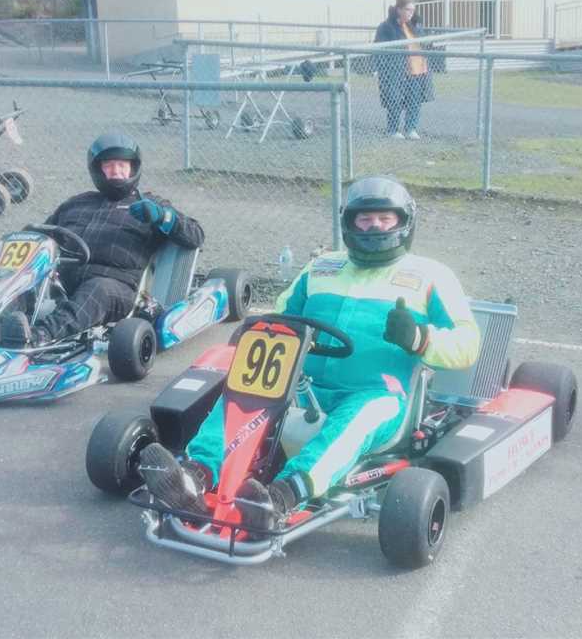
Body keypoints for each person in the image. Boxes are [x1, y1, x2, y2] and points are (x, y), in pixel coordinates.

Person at [139, 175, 480, 531]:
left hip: (377, 394)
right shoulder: (321, 268)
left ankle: (281, 496)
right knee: (242, 391)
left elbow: (468, 343)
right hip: (301, 384)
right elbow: (282, 316)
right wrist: (255, 329)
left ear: (404, 222)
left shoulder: (431, 276)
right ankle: (195, 475)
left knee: (357, 419)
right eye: (365, 218)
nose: (374, 226)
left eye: (385, 218)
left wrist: (420, 338)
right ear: (350, 222)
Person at [0, 132, 205, 346]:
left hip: (116, 288)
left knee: (96, 290)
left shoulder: (149, 204)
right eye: (109, 165)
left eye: (122, 165)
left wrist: (163, 216)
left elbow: (195, 235)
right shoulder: (76, 204)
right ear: (97, 169)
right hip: (62, 282)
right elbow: (42, 237)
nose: (116, 171)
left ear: (133, 168)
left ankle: (40, 336)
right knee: (20, 281)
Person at [374, 0, 436, 140]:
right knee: (394, 100)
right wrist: (381, 69)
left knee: (414, 101)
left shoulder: (415, 25)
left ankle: (411, 128)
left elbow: (422, 43)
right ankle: (393, 130)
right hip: (397, 72)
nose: (411, 13)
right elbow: (379, 49)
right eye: (408, 10)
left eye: (412, 10)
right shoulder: (386, 27)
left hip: (418, 70)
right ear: (399, 9)